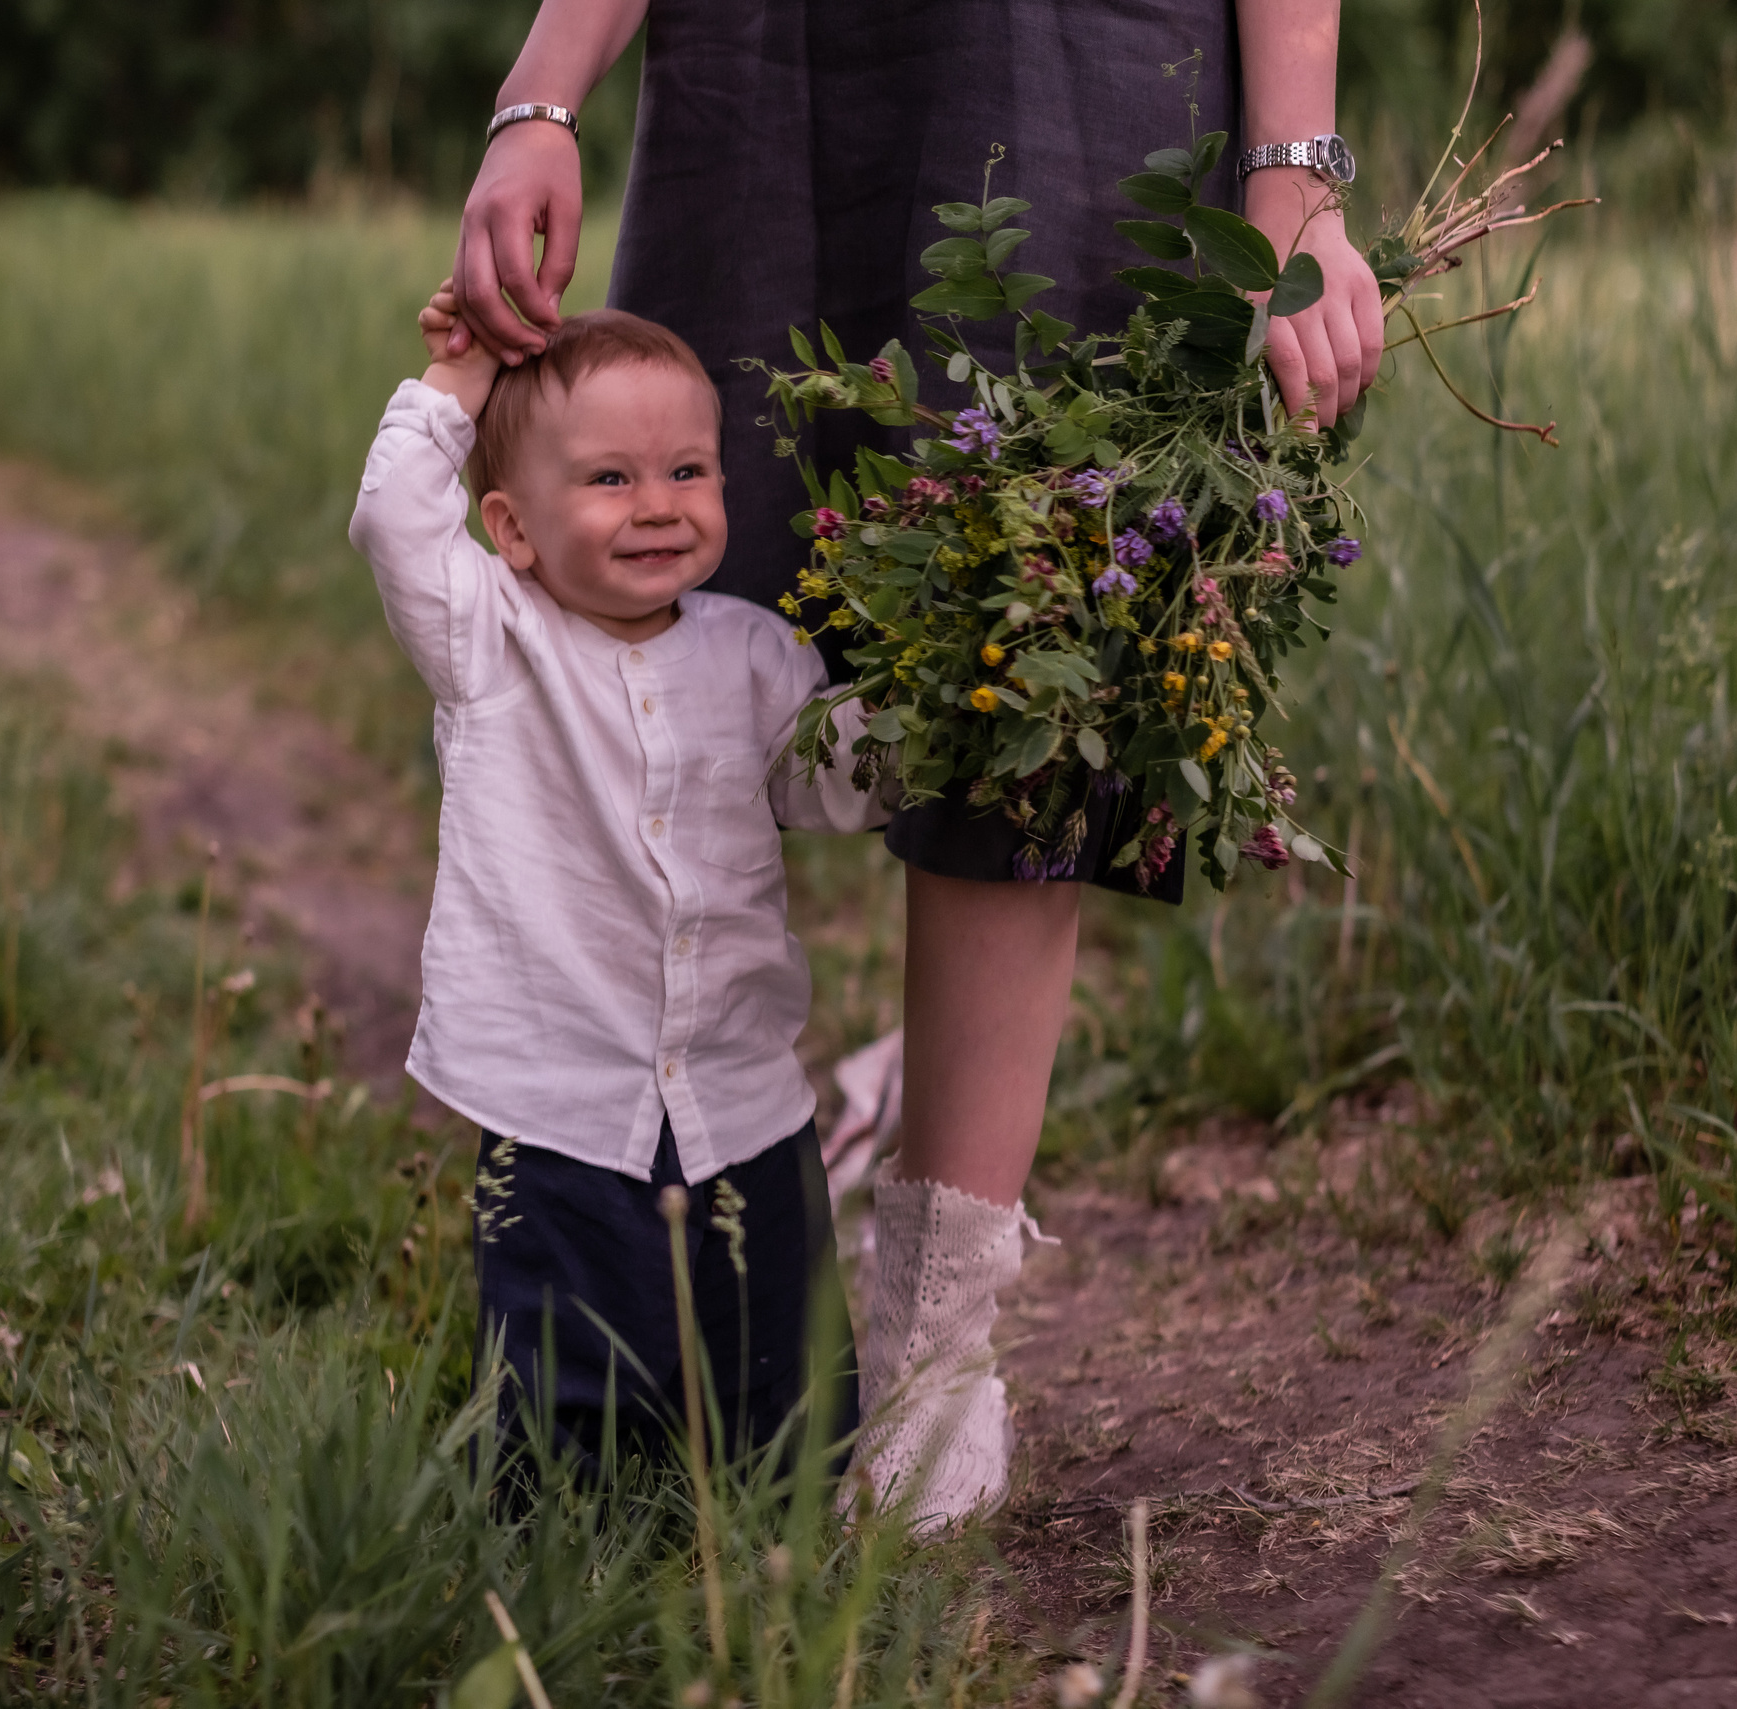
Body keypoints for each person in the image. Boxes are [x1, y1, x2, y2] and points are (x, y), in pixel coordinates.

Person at [447, 0, 1383, 1531]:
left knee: (1019, 626)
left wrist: (1295, 171)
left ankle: (939, 1344)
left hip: (1072, 51)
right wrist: (542, 89)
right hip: (770, 50)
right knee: (647, 630)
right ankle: (616, 1263)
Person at [348, 282, 887, 1475]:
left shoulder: (752, 648)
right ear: (513, 527)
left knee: (784, 1376)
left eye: (687, 471)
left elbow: (838, 781)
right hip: (560, 1103)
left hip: (745, 1091)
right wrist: (461, 379)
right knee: (570, 1383)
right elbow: (393, 521)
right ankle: (577, 1553)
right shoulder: (493, 641)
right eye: (609, 480)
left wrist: (960, 703)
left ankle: (787, 1528)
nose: (657, 506)